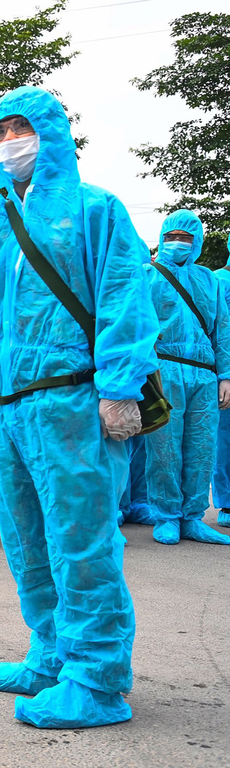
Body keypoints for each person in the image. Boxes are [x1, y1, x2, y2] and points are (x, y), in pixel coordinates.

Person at [0, 62, 159, 728]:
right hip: (8, 405)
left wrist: (118, 387)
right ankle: (50, 653)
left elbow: (123, 298)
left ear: (53, 135)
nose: (12, 142)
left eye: (23, 128)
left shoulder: (96, 210)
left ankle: (98, 679)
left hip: (73, 404)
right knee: (27, 540)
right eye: (2, 132)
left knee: (82, 541)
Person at [139, 211, 230, 545]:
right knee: (163, 447)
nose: (179, 243)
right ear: (162, 237)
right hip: (164, 369)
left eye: (187, 237)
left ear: (198, 242)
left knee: (202, 447)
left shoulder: (209, 280)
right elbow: (136, 328)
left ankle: (192, 518)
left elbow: (223, 329)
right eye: (172, 236)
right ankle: (166, 516)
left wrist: (226, 376)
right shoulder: (147, 275)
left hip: (205, 375)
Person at [213, 239, 230, 529]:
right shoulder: (218, 281)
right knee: (224, 439)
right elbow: (218, 332)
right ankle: (227, 503)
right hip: (226, 371)